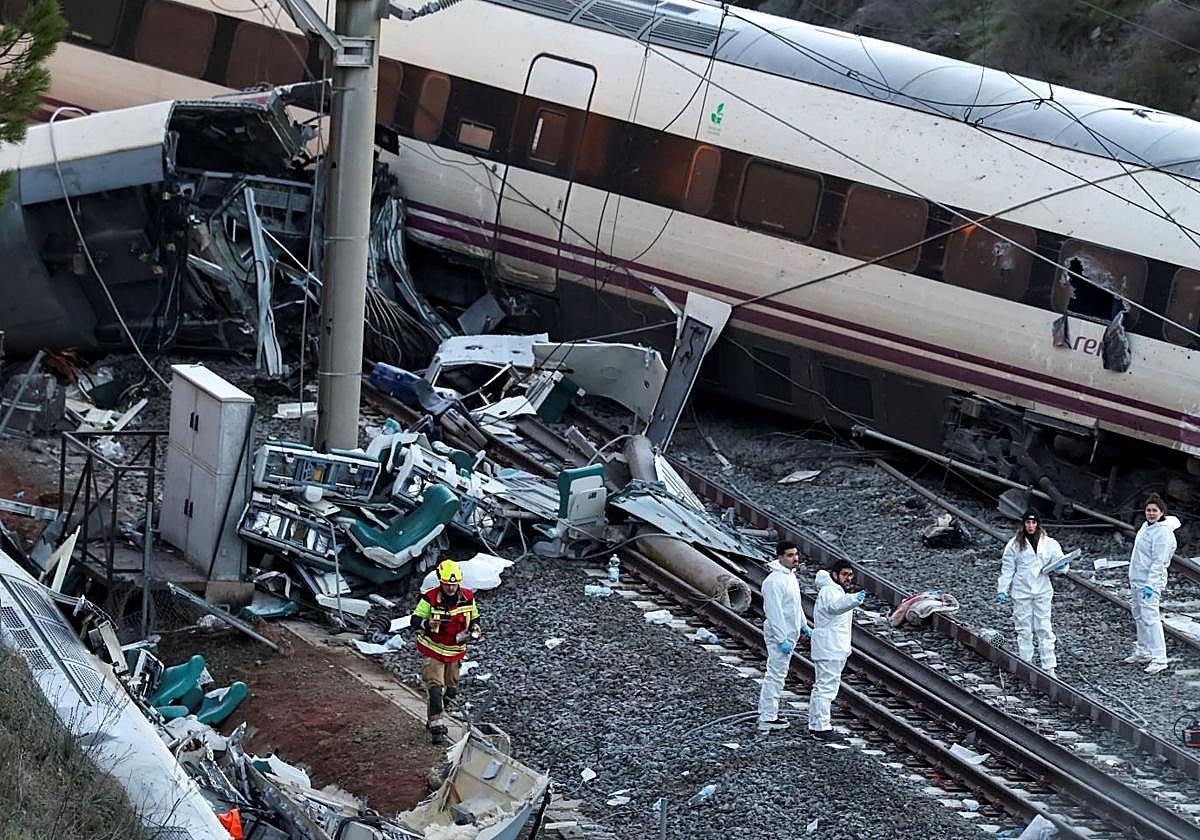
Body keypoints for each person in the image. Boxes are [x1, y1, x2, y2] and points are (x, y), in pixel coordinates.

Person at [411, 559, 481, 744]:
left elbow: (475, 617)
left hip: (455, 651)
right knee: (435, 688)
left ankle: (439, 712)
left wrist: (475, 629)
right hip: (433, 650)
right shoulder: (430, 598)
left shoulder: (467, 597)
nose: (451, 588)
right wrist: (428, 623)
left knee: (450, 690)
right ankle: (437, 727)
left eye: (454, 584)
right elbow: (415, 620)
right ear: (441, 582)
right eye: (447, 584)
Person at [996, 509, 1069, 677]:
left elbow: (1062, 562)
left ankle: (1049, 667)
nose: (1030, 526)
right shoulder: (1014, 544)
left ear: (1038, 524)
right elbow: (1007, 569)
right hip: (1021, 590)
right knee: (1024, 628)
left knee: (1044, 627)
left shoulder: (1049, 543)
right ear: (1023, 524)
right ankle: (1026, 664)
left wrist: (1061, 568)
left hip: (1042, 589)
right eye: (1027, 523)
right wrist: (1002, 589)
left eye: (1033, 522)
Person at [808, 559, 864, 741]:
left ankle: (817, 724)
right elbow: (835, 608)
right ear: (834, 574)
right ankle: (821, 727)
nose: (848, 578)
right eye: (844, 574)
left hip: (832, 647)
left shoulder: (835, 590)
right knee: (826, 687)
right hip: (830, 647)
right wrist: (854, 599)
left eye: (850, 575)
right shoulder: (830, 591)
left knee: (824, 686)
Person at [757, 541, 810, 733]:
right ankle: (767, 716)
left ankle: (771, 713)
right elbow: (774, 612)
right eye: (789, 555)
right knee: (775, 674)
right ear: (779, 557)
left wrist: (804, 625)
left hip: (789, 632)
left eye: (796, 554)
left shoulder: (790, 577)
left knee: (779, 674)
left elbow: (794, 605)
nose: (795, 558)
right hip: (781, 634)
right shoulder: (773, 581)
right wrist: (781, 639)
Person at [1125, 493, 1180, 675]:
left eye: (1154, 510)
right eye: (1148, 510)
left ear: (1161, 512)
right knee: (1139, 616)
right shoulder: (1146, 527)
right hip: (1137, 579)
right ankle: (1143, 650)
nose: (1151, 513)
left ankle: (1159, 658)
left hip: (1149, 583)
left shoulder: (1162, 532)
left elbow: (1159, 561)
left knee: (1151, 618)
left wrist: (1151, 584)